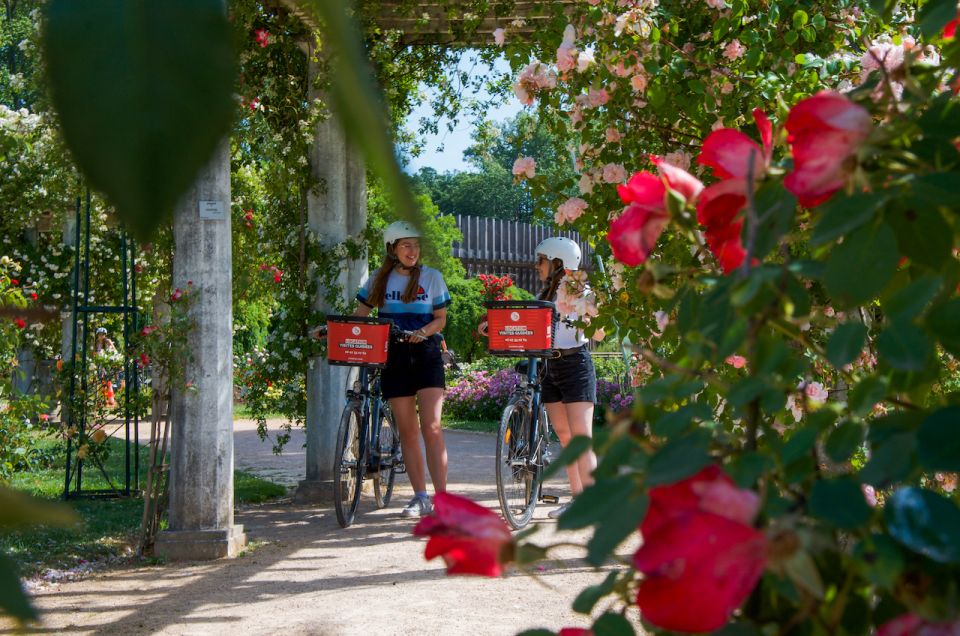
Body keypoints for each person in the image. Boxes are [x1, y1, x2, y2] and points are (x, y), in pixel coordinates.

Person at [354, 221, 451, 518]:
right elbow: (360, 316)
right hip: (393, 356)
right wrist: (333, 330)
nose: (413, 251)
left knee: (432, 427)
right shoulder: (378, 280)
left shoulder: (432, 277)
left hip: (427, 355)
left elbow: (440, 319)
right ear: (392, 249)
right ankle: (420, 497)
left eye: (416, 245)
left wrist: (423, 332)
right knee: (408, 432)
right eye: (406, 245)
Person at [534, 237, 598, 519]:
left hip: (576, 364)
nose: (537, 266)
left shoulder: (584, 292)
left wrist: (587, 310)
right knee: (565, 436)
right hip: (551, 366)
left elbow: (599, 334)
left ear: (558, 262)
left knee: (582, 438)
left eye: (542, 261)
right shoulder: (544, 295)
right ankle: (577, 498)